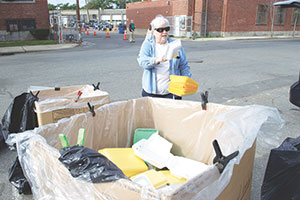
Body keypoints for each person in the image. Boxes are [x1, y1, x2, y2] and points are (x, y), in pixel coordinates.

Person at [137, 15, 192, 100]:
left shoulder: (175, 45)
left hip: (173, 93)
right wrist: (156, 60)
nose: (164, 32)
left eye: (167, 29)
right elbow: (142, 61)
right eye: (160, 30)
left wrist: (186, 80)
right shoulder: (148, 44)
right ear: (153, 31)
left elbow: (184, 65)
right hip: (151, 94)